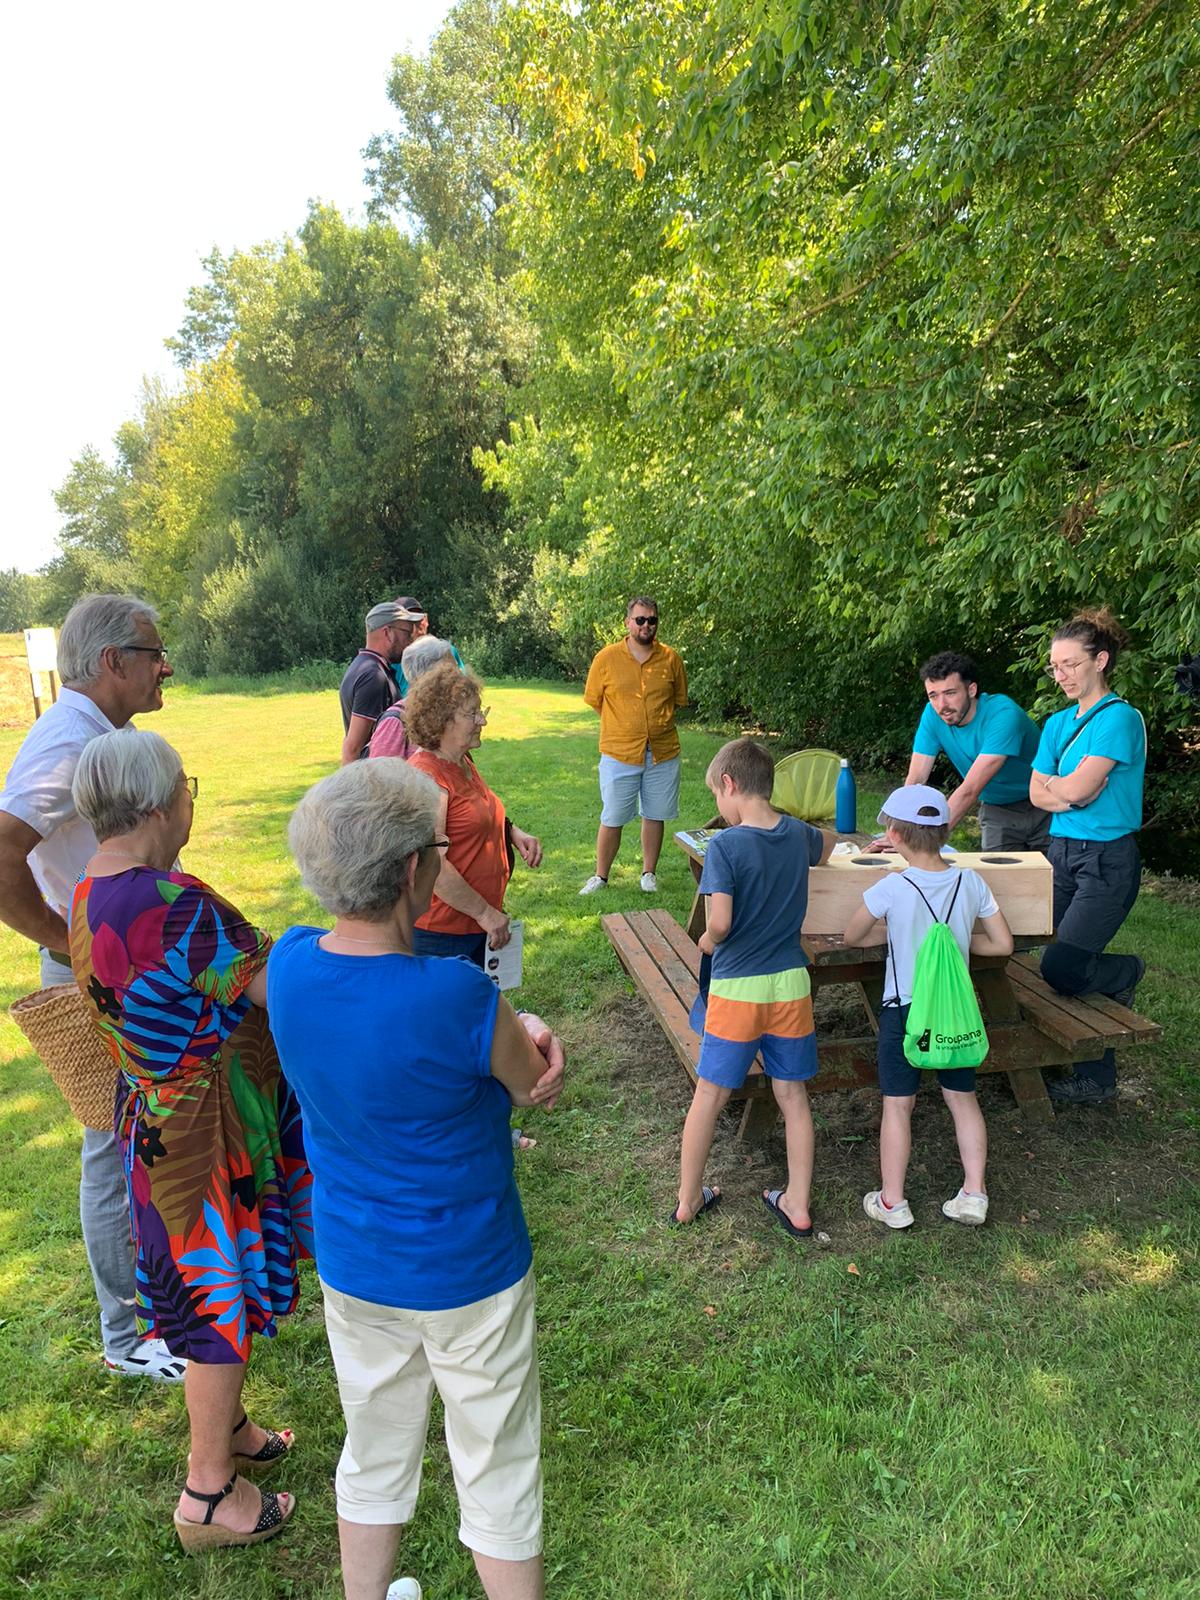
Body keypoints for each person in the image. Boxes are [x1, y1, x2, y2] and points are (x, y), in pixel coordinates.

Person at [267, 756, 565, 1600]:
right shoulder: (457, 995)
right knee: (497, 1459)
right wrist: (535, 1032)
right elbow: (529, 1083)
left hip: (357, 1262)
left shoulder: (288, 964)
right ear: (410, 872)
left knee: (374, 1448)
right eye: (437, 848)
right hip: (471, 1269)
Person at [69, 728, 311, 1549]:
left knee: (208, 1296)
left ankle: (230, 1430)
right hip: (206, 1141)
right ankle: (208, 1493)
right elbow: (274, 987)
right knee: (217, 1305)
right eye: (185, 789)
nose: (187, 803)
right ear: (153, 804)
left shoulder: (90, 891)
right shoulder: (174, 905)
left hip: (155, 1128)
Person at [0, 593, 185, 1382]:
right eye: (153, 652)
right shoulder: (68, 741)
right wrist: (64, 939)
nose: (164, 667)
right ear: (112, 661)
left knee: (143, 1131)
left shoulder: (102, 732)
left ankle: (158, 1306)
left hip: (127, 960)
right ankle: (126, 1334)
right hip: (101, 969)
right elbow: (3, 848)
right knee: (113, 1144)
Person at [675, 739, 835, 1235]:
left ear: (729, 784)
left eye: (716, 796)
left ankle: (687, 1200)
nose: (718, 808)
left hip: (737, 990)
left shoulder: (724, 846)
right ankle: (798, 1203)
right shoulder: (797, 834)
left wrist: (707, 938)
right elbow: (829, 844)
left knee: (710, 1094)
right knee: (793, 1094)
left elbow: (720, 922)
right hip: (790, 985)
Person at [843, 786, 1013, 1229]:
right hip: (955, 1011)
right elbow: (1002, 944)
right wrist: (958, 946)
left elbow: (852, 936)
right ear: (944, 833)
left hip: (905, 1011)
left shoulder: (891, 887)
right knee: (963, 1098)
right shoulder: (971, 882)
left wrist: (895, 934)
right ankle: (974, 1193)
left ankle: (892, 1202)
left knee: (898, 1105)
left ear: (895, 836)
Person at [1030, 608, 1147, 1106]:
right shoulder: (1057, 722)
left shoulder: (1120, 718)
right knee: (1030, 948)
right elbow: (1038, 793)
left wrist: (1063, 789)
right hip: (1060, 854)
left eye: (1070, 664)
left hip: (1107, 861)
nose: (1061, 675)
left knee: (1062, 967)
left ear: (1100, 661)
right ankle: (1094, 1078)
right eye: (1055, 666)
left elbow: (1073, 789)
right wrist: (1069, 793)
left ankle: (1126, 973)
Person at [404, 662, 542, 965]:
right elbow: (431, 865)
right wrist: (484, 913)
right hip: (444, 933)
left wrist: (512, 832)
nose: (483, 720)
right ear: (442, 721)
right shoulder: (427, 777)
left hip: (475, 924)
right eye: (472, 713)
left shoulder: (461, 761)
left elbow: (474, 813)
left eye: (482, 710)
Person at [579, 596, 688, 896]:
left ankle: (649, 873)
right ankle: (600, 876)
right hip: (619, 752)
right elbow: (595, 701)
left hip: (663, 752)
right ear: (628, 622)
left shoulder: (671, 659)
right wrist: (622, 725)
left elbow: (677, 700)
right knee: (612, 816)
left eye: (652, 620)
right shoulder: (606, 658)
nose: (646, 625)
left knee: (655, 814)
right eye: (640, 619)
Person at [888, 651, 1049, 851]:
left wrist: (924, 843)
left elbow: (970, 790)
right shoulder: (932, 715)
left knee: (1055, 871)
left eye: (950, 693)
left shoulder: (1003, 714)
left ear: (971, 690)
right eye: (933, 695)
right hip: (996, 808)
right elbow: (915, 779)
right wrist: (899, 832)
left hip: (1047, 804)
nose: (942, 705)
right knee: (998, 871)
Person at [339, 602, 424, 764]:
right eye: (407, 633)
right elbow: (353, 748)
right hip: (375, 775)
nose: (411, 641)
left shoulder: (363, 666)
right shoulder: (373, 677)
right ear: (387, 633)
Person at [368, 637, 458, 761]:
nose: (458, 677)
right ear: (427, 676)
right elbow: (381, 772)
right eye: (450, 672)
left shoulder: (446, 714)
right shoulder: (395, 723)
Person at [391, 595, 465, 697]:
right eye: (408, 620)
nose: (415, 626)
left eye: (418, 617)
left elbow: (463, 686)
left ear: (426, 620)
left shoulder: (446, 650)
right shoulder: (394, 658)